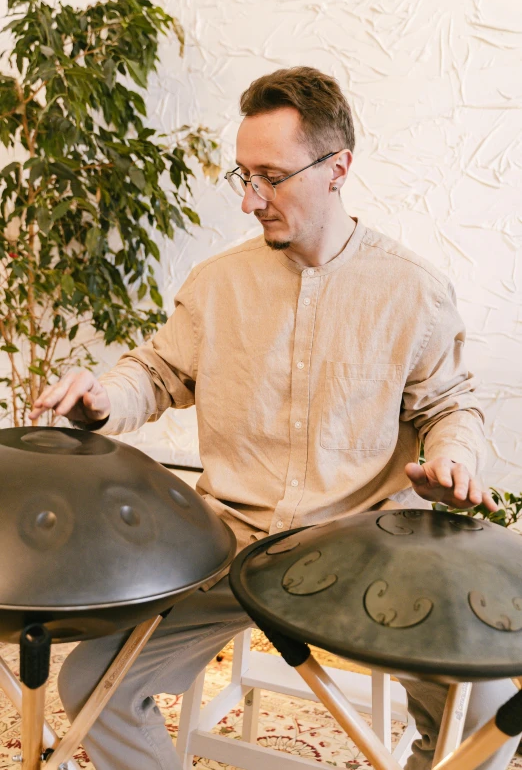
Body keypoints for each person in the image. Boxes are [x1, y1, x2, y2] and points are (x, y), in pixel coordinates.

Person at [30, 66, 518, 770]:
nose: (250, 199)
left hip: (364, 550)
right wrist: (103, 401)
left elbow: (450, 406)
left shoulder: (413, 289)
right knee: (89, 683)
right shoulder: (218, 283)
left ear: (337, 168)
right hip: (230, 545)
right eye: (242, 176)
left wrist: (454, 460)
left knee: (486, 709)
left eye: (271, 176)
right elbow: (158, 372)